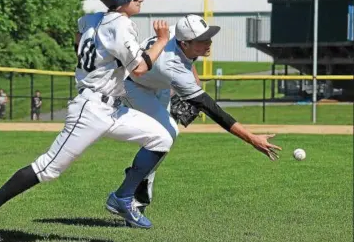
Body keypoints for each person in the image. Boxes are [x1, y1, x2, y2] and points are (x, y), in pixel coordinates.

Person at [0, 0, 173, 242]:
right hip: (92, 110)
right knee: (48, 168)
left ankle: (123, 198)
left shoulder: (89, 20)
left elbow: (79, 38)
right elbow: (138, 69)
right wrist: (161, 41)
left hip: (112, 108)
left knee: (161, 137)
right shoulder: (121, 24)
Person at [121, 14, 282, 221]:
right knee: (165, 134)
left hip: (158, 84)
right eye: (202, 40)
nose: (209, 42)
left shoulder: (176, 34)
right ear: (185, 42)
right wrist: (252, 139)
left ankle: (137, 186)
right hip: (134, 86)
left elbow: (186, 60)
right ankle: (132, 191)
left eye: (208, 36)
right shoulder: (172, 66)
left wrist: (193, 84)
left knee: (163, 140)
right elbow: (214, 110)